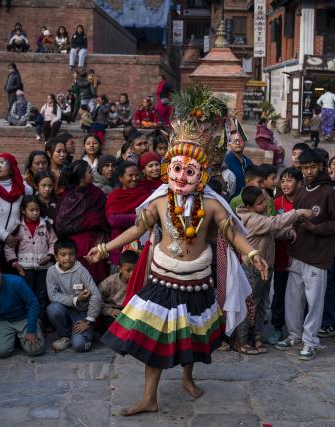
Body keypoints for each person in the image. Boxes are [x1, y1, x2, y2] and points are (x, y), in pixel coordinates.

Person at [86, 86, 268, 415]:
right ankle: (149, 397)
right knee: (153, 339)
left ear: (202, 176)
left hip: (197, 279)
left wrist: (252, 254)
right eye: (176, 168)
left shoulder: (212, 205)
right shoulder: (157, 201)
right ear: (168, 167)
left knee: (193, 336)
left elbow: (232, 233)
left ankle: (187, 378)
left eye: (190, 170)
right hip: (163, 278)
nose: (181, 175)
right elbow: (137, 229)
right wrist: (104, 247)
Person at [275, 149, 335, 361]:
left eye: (312, 167)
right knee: (293, 299)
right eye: (305, 168)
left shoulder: (331, 192)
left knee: (314, 302)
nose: (308, 171)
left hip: (318, 256)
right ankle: (295, 335)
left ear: (322, 166)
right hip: (297, 253)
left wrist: (314, 228)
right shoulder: (302, 190)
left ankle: (310, 341)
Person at [235, 186, 309, 355]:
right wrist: (297, 213)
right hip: (252, 268)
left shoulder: (258, 217)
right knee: (250, 303)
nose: (265, 205)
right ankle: (242, 340)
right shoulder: (251, 219)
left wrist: (287, 233)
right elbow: (273, 223)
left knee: (261, 303)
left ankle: (257, 335)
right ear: (248, 207)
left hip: (266, 266)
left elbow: (271, 232)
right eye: (260, 203)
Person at [0, 260, 44, 361]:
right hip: (4, 321)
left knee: (35, 350)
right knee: (0, 352)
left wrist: (31, 330)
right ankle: (17, 337)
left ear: (1, 272)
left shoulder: (16, 282)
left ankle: (35, 323)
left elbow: (33, 304)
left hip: (24, 318)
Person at [5, 195, 57, 325]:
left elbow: (54, 243)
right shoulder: (18, 227)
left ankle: (40, 323)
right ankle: (27, 324)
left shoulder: (46, 226)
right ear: (23, 210)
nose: (35, 213)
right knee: (27, 295)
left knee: (42, 296)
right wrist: (15, 263)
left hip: (43, 269)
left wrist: (49, 256)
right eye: (31, 210)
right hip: (25, 269)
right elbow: (9, 247)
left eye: (37, 210)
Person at [55, 160, 108, 282]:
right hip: (74, 244)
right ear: (81, 178)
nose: (92, 174)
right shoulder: (68, 196)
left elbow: (103, 216)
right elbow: (61, 223)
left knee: (95, 279)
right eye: (89, 171)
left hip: (94, 242)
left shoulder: (96, 193)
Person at [46, 237, 101, 352]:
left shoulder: (81, 271)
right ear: (56, 257)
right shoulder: (52, 271)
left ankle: (86, 334)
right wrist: (75, 299)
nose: (67, 258)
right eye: (63, 254)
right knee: (53, 308)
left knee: (79, 346)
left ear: (76, 255)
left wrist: (89, 321)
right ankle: (65, 336)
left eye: (71, 254)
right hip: (65, 310)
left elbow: (96, 295)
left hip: (82, 313)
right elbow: (53, 295)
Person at [268, 167, 302, 344]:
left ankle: (299, 328)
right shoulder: (276, 203)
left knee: (300, 295)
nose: (286, 184)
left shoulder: (304, 201)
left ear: (299, 182)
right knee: (279, 294)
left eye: (290, 180)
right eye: (283, 180)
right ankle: (277, 327)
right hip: (281, 257)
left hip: (301, 257)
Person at [105, 161, 157, 266]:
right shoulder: (115, 195)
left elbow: (153, 214)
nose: (134, 178)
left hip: (143, 242)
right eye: (130, 175)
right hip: (119, 244)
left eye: (137, 175)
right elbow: (113, 220)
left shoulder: (144, 193)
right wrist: (139, 217)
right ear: (121, 178)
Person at [97, 249, 137, 332]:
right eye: (128, 270)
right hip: (112, 312)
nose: (132, 274)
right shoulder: (109, 282)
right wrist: (110, 311)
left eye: (135, 270)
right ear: (120, 268)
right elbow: (95, 301)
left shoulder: (139, 282)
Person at [224, 120, 253, 196]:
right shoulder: (226, 161)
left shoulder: (248, 162)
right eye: (234, 141)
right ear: (229, 144)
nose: (238, 143)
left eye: (240, 140)